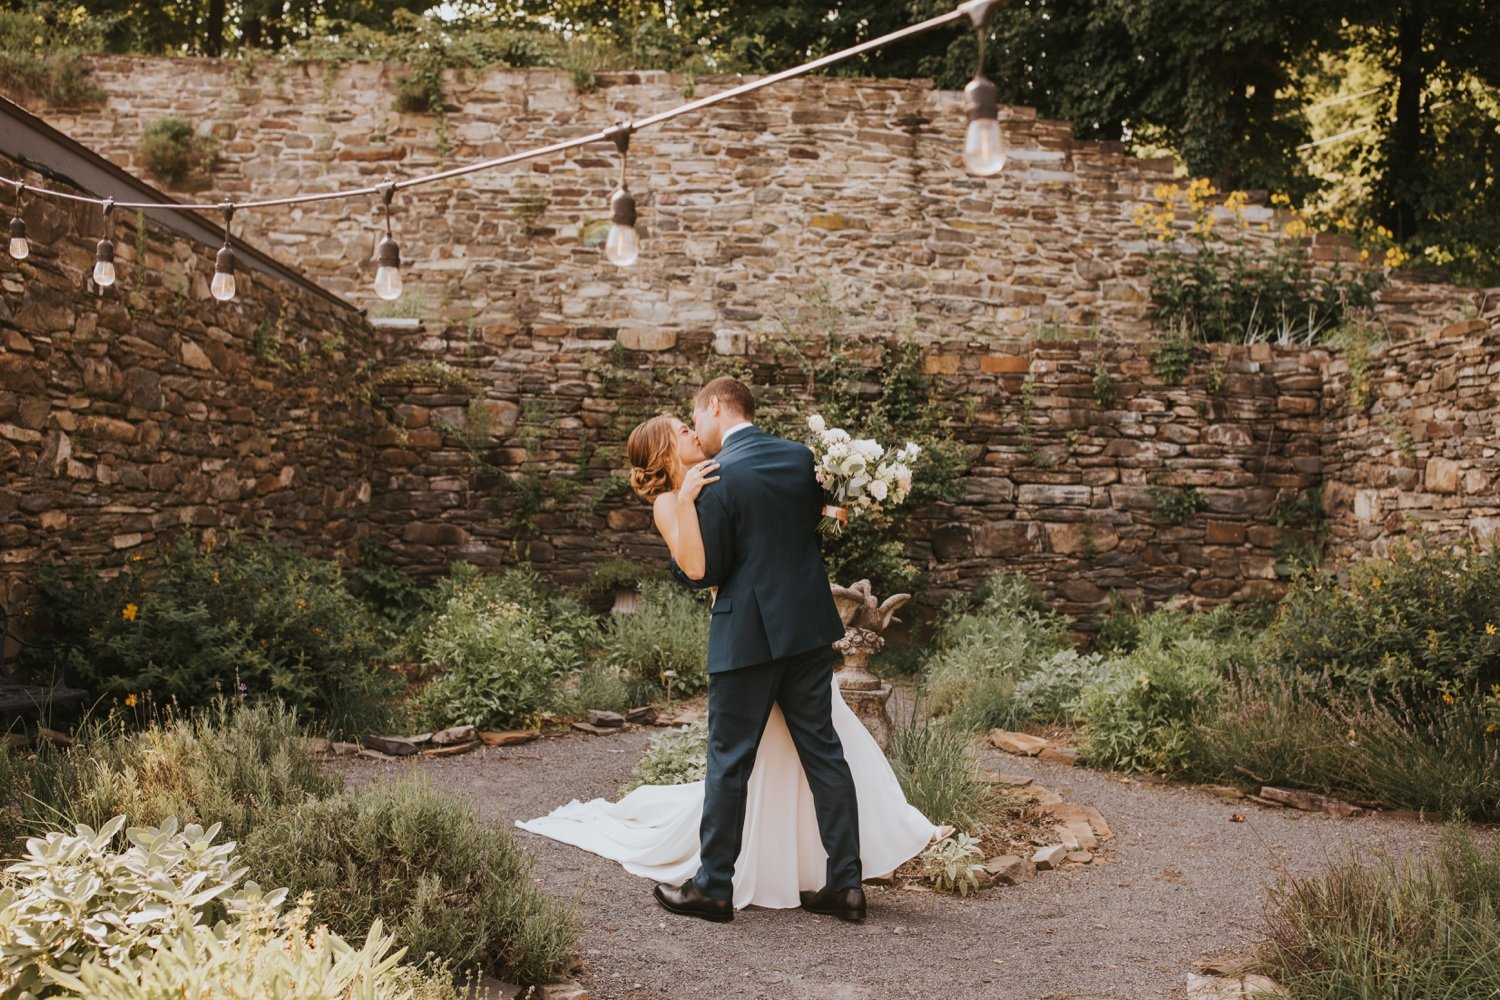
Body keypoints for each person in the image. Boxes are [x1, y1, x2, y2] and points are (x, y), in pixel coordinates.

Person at [518, 385, 949, 920]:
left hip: (747, 636)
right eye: (683, 428)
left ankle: (714, 886)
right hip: (807, 631)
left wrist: (691, 501)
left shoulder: (717, 479)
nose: (693, 428)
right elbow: (798, 520)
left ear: (715, 407)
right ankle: (846, 884)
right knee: (824, 754)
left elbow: (706, 571)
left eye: (693, 416)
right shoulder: (799, 459)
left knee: (728, 760)